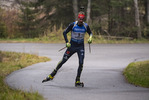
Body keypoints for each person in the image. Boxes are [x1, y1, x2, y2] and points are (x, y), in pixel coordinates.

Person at [42, 11, 93, 86]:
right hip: (72, 46)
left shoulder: (85, 26)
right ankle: (52, 75)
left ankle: (77, 80)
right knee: (63, 60)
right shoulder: (73, 25)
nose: (81, 20)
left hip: (80, 47)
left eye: (82, 19)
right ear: (78, 18)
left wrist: (90, 38)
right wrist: (67, 42)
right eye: (80, 19)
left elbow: (90, 33)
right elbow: (64, 32)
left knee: (81, 63)